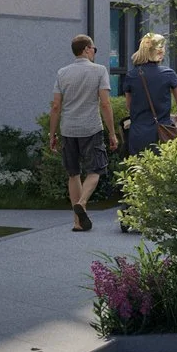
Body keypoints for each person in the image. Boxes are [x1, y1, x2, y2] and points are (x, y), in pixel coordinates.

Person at [50, 34, 117, 232]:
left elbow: (55, 106)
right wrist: (112, 132)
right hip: (91, 128)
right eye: (94, 49)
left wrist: (52, 134)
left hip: (68, 129)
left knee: (73, 174)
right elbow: (105, 103)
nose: (94, 52)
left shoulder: (63, 73)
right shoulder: (99, 71)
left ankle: (78, 222)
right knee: (95, 170)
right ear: (87, 49)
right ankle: (83, 202)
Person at [122, 33, 177, 157]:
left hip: (138, 133)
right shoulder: (168, 74)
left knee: (138, 170)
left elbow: (128, 105)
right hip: (162, 132)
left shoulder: (132, 75)